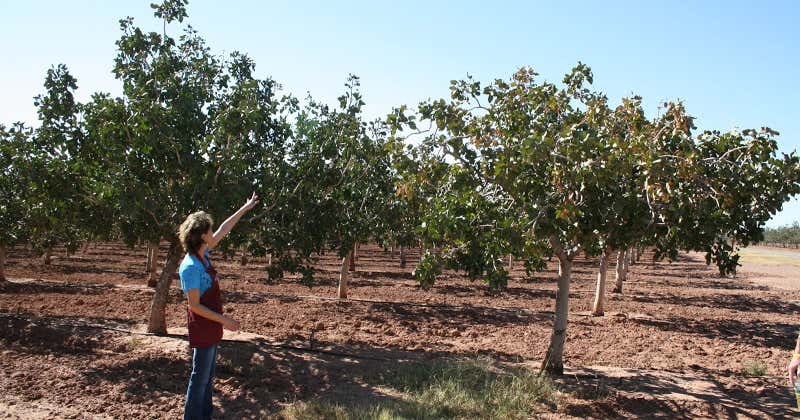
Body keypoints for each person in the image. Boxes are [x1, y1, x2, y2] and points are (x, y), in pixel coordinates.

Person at [178, 193, 258, 420]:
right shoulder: (190, 266)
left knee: (207, 375)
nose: (214, 234)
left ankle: (205, 415)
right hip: (204, 325)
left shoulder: (204, 255)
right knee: (200, 376)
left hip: (211, 324)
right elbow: (194, 306)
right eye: (210, 231)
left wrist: (245, 208)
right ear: (203, 236)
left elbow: (224, 229)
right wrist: (226, 321)